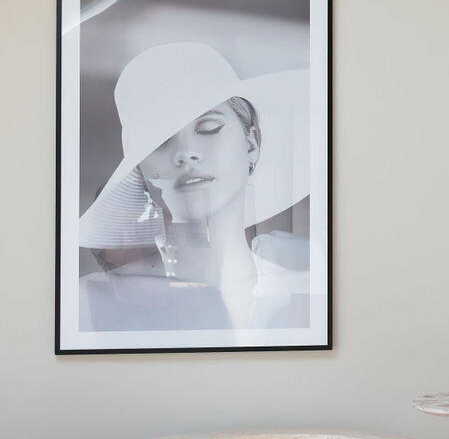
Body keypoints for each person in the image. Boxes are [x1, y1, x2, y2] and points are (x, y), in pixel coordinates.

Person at [78, 42, 311, 334]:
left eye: (209, 129)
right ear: (143, 171)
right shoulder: (88, 304)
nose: (186, 153)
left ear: (250, 145)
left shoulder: (306, 284)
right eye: (161, 141)